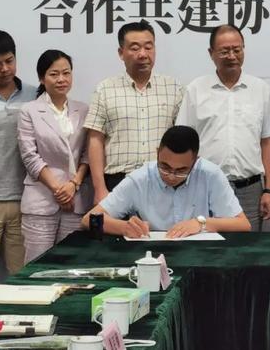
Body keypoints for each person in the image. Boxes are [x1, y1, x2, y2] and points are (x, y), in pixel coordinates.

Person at [177, 25, 270, 231]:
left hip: (250, 189)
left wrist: (269, 190)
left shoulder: (260, 89)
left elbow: (268, 143)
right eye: (224, 51)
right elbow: (184, 142)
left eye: (236, 50)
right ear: (211, 53)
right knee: (205, 244)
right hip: (205, 187)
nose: (232, 56)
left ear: (243, 50)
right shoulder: (196, 89)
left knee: (248, 246)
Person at [81, 126, 250, 238]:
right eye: (165, 167)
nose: (171, 176)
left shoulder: (210, 174)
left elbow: (243, 224)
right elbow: (88, 220)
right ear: (157, 153)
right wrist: (124, 227)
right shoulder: (140, 178)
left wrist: (201, 223)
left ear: (195, 161)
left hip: (199, 254)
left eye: (181, 170)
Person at [84, 22, 183, 205]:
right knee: (116, 226)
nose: (143, 54)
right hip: (117, 182)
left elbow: (182, 140)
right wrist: (99, 189)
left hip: (162, 182)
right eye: (135, 48)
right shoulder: (105, 89)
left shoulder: (174, 88)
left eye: (148, 47)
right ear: (121, 53)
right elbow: (95, 140)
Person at [17, 50, 91, 263]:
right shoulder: (29, 111)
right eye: (54, 74)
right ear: (42, 78)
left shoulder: (83, 109)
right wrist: (59, 190)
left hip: (76, 200)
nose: (61, 79)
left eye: (66, 73)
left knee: (70, 265)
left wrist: (73, 185)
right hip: (41, 200)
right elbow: (30, 156)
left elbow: (88, 154)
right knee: (37, 265)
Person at [0, 30, 36, 288]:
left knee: (21, 279)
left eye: (9, 61)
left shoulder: (35, 95)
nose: (4, 69)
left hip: (26, 201)